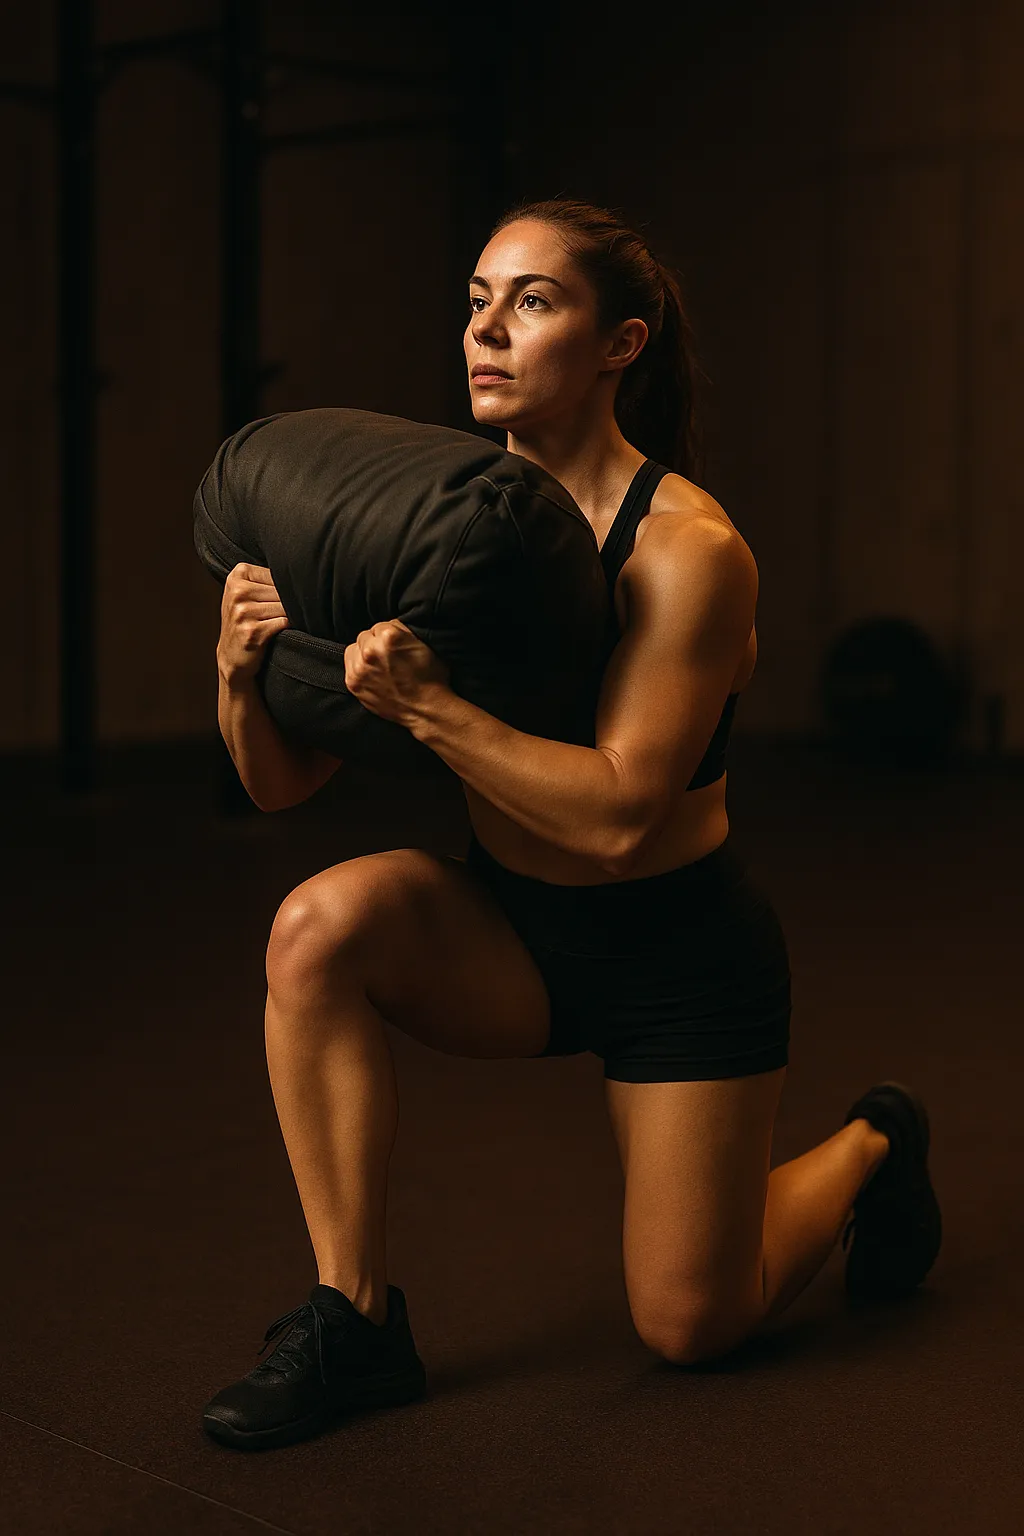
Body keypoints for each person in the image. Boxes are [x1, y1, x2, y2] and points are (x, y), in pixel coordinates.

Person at [202, 198, 941, 1452]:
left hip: (675, 955)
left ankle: (874, 1139)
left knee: (693, 1327)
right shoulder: (441, 523)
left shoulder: (687, 552)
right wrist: (239, 674)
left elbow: (615, 823)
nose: (487, 331)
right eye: (478, 300)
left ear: (621, 345)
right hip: (509, 927)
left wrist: (430, 711)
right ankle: (353, 1319)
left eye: (534, 302)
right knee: (314, 927)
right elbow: (282, 790)